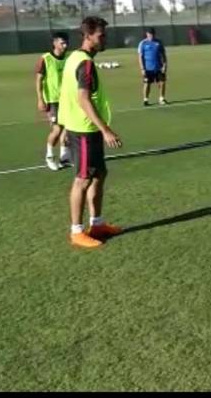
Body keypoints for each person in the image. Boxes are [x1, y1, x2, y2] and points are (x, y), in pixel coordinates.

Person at [58, 16, 124, 248]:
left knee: (99, 174)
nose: (104, 39)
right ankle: (76, 231)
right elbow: (82, 99)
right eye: (101, 35)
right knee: (83, 179)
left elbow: (66, 94)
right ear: (88, 36)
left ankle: (97, 224)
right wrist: (105, 130)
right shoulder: (84, 63)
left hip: (82, 128)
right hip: (85, 130)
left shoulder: (74, 58)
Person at [35, 32, 70, 171]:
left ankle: (64, 157)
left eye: (66, 42)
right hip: (53, 101)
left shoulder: (68, 59)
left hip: (67, 99)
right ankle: (49, 156)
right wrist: (40, 99)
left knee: (68, 127)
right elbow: (39, 80)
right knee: (57, 129)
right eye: (62, 43)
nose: (65, 45)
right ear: (55, 43)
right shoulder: (46, 59)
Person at [137, 28, 167, 106]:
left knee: (162, 82)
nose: (151, 35)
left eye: (153, 34)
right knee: (147, 84)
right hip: (148, 68)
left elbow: (163, 54)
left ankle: (161, 98)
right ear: (147, 34)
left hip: (158, 67)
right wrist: (142, 69)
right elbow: (140, 57)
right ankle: (145, 99)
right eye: (150, 34)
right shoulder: (143, 43)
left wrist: (164, 65)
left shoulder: (159, 42)